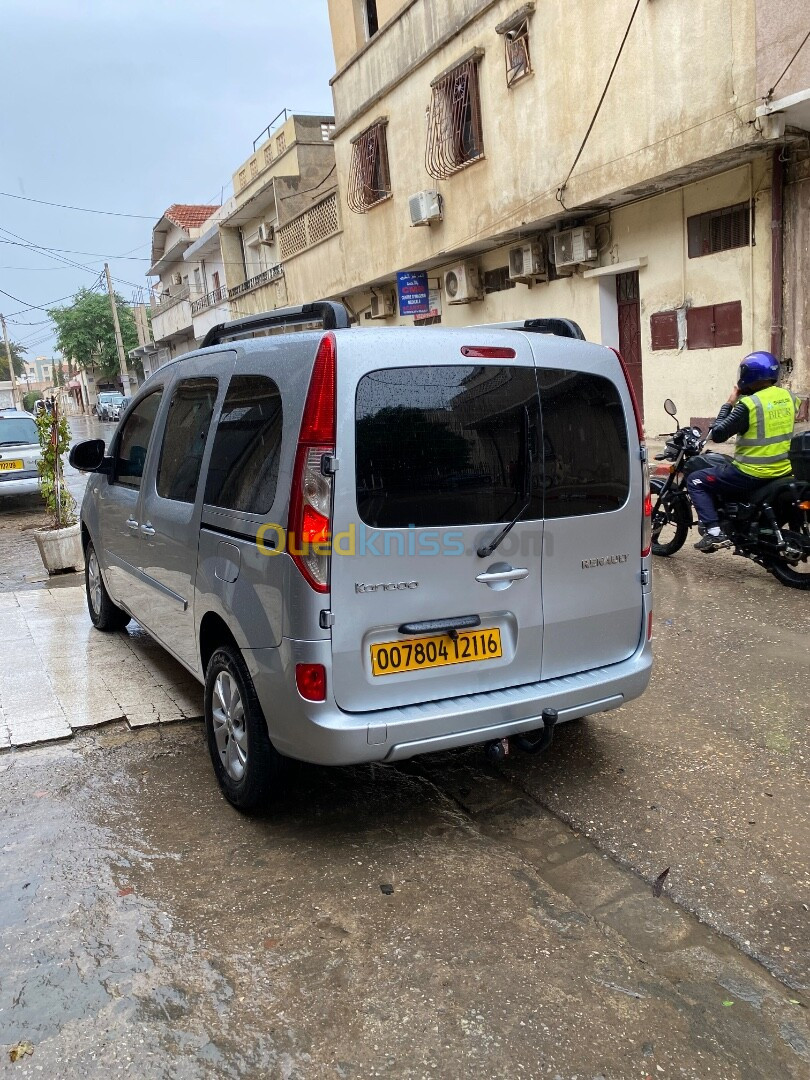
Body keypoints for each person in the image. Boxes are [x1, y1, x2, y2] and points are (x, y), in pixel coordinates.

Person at [687, 351, 801, 552]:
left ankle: (714, 533)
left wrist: (729, 402)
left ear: (749, 375)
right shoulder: (789, 397)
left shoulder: (749, 405)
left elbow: (718, 434)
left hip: (752, 472)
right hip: (783, 469)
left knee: (696, 480)